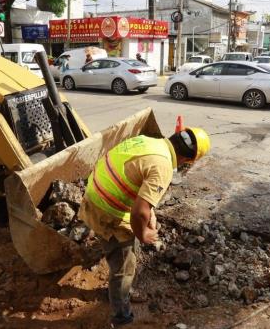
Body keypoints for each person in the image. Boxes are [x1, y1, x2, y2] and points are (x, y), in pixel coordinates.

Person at [77, 127, 211, 325]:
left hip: (95, 190)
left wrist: (151, 212)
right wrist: (143, 233)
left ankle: (116, 292)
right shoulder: (163, 167)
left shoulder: (149, 141)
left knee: (123, 254)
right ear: (189, 160)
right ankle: (121, 316)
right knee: (124, 267)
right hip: (106, 210)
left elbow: (135, 179)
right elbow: (138, 213)